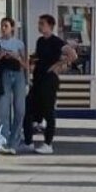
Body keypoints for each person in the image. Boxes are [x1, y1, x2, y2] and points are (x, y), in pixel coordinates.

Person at [23, 14, 75, 154]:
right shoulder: (40, 41)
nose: (39, 26)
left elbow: (72, 55)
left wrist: (57, 65)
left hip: (49, 79)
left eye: (42, 24)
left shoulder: (56, 41)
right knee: (28, 109)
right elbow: (39, 57)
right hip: (38, 78)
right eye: (39, 23)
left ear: (50, 26)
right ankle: (28, 142)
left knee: (48, 111)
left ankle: (48, 143)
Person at [0, 18, 29, 155]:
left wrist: (17, 57)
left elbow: (26, 65)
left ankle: (14, 142)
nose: (3, 28)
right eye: (2, 26)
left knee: (20, 110)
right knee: (3, 110)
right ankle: (1, 142)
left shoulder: (19, 44)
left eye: (6, 26)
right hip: (3, 75)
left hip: (18, 75)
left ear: (12, 28)